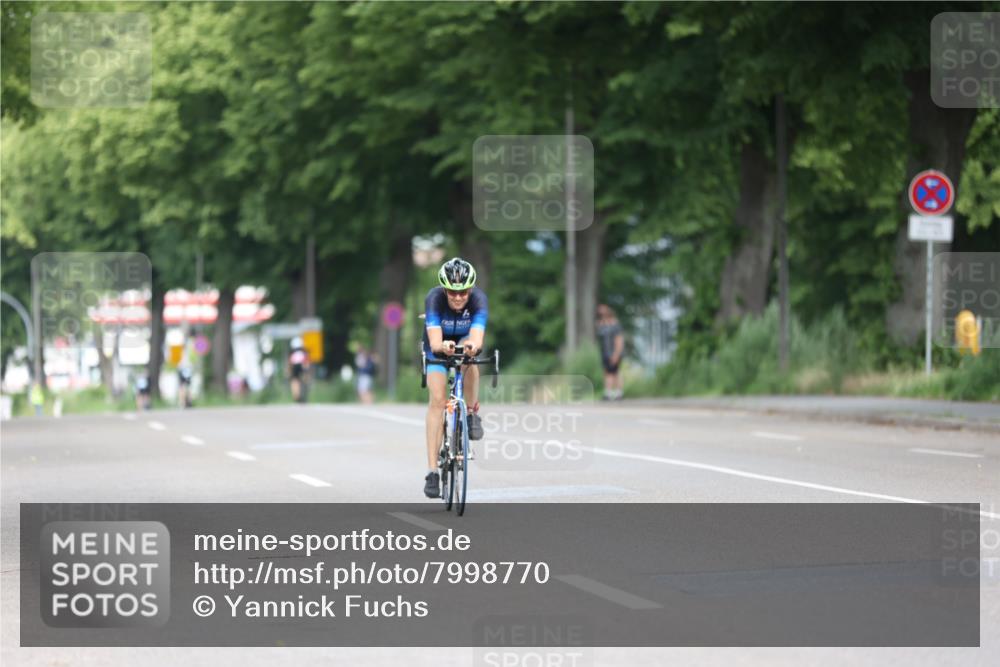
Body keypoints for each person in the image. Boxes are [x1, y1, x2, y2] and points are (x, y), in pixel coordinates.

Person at [422, 257, 488, 499]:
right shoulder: (434, 299)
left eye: (463, 292)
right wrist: (442, 346)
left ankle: (470, 414)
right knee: (438, 401)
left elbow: (477, 338)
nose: (458, 297)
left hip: (462, 340)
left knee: (470, 357)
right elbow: (435, 342)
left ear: (471, 289)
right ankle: (432, 472)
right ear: (444, 289)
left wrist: (471, 345)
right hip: (438, 344)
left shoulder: (479, 300)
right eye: (452, 291)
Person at [596, 304, 625, 400]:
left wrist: (616, 354)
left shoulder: (615, 324)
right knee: (607, 372)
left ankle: (617, 393)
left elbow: (619, 340)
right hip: (605, 352)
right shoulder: (602, 324)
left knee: (614, 372)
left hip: (614, 352)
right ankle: (609, 393)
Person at [286, 337, 311, 403]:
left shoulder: (291, 353)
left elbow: (289, 363)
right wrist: (307, 371)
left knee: (294, 381)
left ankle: (296, 395)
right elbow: (307, 362)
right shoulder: (304, 351)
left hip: (295, 367)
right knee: (304, 380)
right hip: (302, 366)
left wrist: (288, 371)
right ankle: (304, 392)